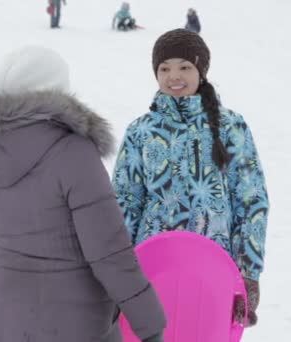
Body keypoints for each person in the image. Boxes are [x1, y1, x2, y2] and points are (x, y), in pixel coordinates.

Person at [0, 45, 166, 342]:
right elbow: (108, 252)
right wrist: (150, 325)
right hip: (75, 325)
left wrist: (10, 288)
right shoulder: (74, 152)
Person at [112, 29, 270, 326]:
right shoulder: (141, 131)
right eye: (165, 68)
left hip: (215, 268)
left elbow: (251, 201)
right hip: (153, 266)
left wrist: (248, 274)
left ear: (201, 71)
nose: (174, 76)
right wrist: (118, 273)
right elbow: (125, 202)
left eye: (185, 67)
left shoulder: (230, 126)